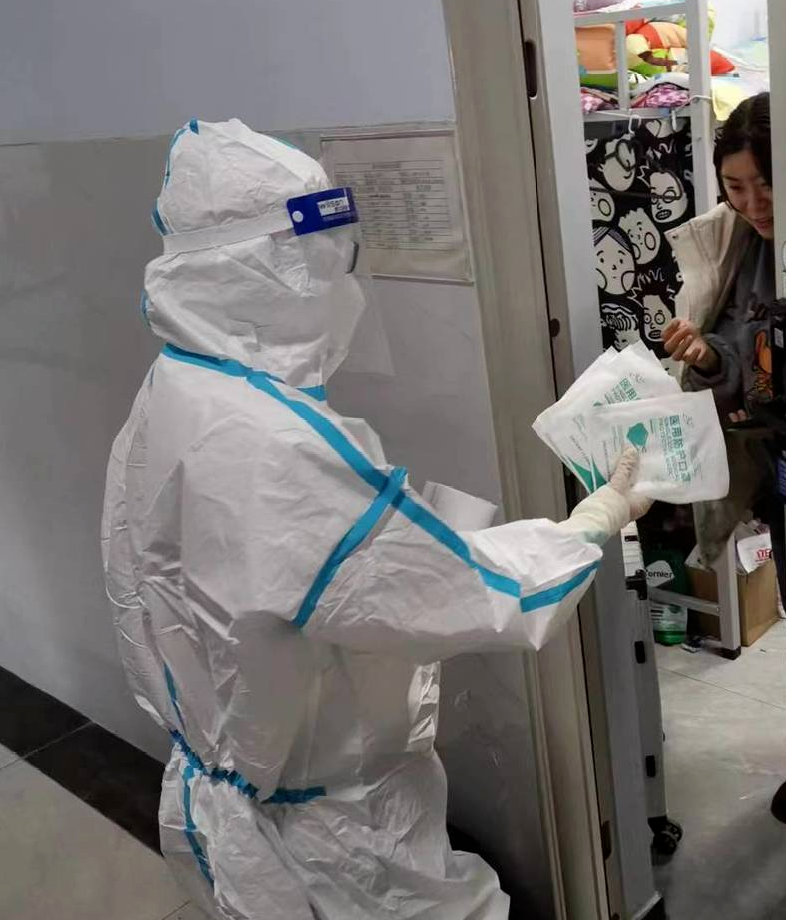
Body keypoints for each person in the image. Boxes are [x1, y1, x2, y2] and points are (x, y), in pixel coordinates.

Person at [101, 118, 650, 920]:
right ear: (259, 270)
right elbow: (474, 594)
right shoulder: (278, 443)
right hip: (339, 843)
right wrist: (594, 521)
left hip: (229, 798)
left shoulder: (177, 387)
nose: (343, 284)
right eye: (323, 260)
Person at [659, 93, 786, 826]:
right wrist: (707, 356)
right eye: (735, 187)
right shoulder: (739, 245)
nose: (752, 204)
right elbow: (744, 357)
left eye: (765, 185)